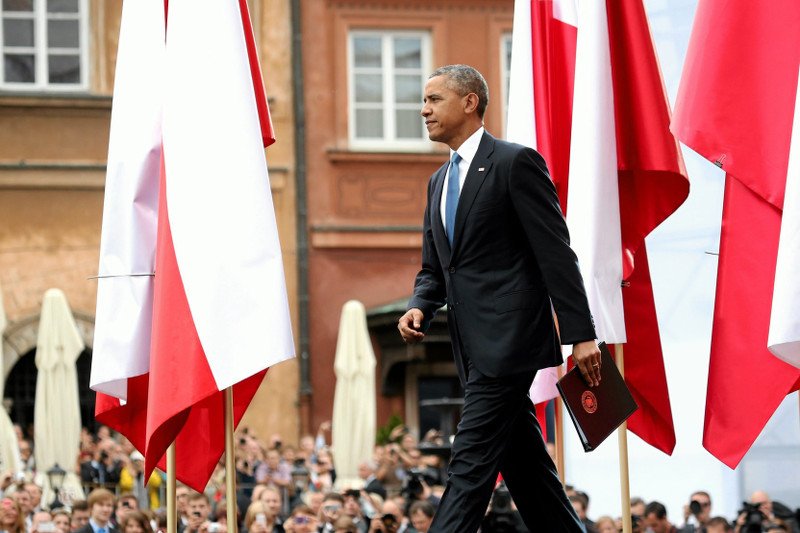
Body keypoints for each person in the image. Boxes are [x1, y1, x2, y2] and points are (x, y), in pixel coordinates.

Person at [397, 63, 600, 533]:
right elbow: (436, 269)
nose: (423, 110)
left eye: (434, 99)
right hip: (470, 347)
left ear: (470, 102)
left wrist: (581, 336)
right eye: (424, 101)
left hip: (512, 342)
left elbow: (556, 255)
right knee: (531, 476)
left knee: (468, 468)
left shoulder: (514, 162)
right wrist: (419, 305)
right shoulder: (437, 182)